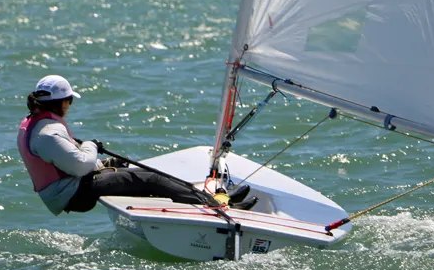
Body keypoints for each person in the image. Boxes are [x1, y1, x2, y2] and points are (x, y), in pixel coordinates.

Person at [17, 74, 256, 215]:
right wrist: (90, 145)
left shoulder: (37, 123)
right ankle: (217, 207)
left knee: (145, 175)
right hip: (71, 193)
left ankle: (212, 200)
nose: (69, 105)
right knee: (150, 180)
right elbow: (80, 165)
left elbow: (69, 162)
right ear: (59, 102)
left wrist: (102, 163)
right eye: (69, 101)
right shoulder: (47, 133)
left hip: (70, 187)